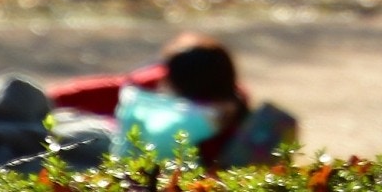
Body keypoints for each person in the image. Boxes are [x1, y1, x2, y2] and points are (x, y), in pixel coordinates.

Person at [49, 34, 296, 168]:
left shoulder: (178, 112)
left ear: (172, 77)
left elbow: (108, 90)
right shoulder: (233, 99)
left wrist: (49, 98)